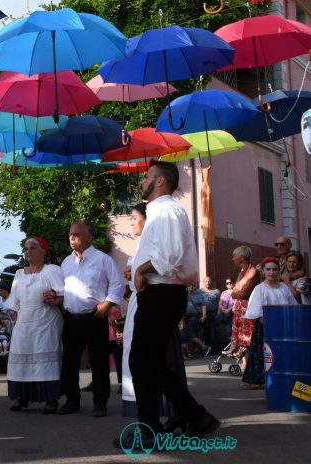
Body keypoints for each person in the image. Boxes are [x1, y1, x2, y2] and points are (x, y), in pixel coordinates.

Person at [122, 160, 219, 448]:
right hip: (160, 295)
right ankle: (194, 416)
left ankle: (150, 431)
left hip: (161, 294)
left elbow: (170, 255)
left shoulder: (165, 210)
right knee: (149, 363)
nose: (142, 181)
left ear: (160, 181)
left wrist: (141, 271)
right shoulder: (159, 212)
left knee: (141, 362)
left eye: (147, 176)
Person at [59, 221, 124, 418]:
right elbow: (63, 289)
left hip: (94, 317)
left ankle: (100, 402)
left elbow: (117, 284)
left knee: (99, 361)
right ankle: (72, 400)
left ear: (89, 237)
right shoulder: (66, 263)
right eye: (70, 234)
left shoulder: (103, 260)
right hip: (71, 317)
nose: (72, 238)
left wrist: (107, 304)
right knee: (69, 360)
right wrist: (56, 298)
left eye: (76, 234)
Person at [6, 237, 64, 414]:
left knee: (44, 361)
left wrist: (53, 299)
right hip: (24, 322)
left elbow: (62, 294)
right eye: (26, 249)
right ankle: (21, 397)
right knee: (21, 359)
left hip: (46, 321)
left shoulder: (52, 270)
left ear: (43, 251)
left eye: (33, 248)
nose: (28, 251)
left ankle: (50, 399)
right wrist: (18, 324)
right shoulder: (19, 274)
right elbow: (14, 303)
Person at [242, 257, 296, 390]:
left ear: (278, 271)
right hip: (266, 327)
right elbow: (253, 311)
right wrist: (267, 320)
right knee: (264, 354)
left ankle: (282, 378)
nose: (272, 272)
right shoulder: (259, 289)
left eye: (275, 269)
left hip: (284, 326)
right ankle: (258, 380)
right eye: (269, 269)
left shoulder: (284, 287)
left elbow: (293, 305)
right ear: (263, 272)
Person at [229, 246, 259, 369]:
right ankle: (246, 364)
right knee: (242, 339)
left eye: (234, 256)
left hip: (248, 307)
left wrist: (236, 291)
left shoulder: (252, 271)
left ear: (241, 257)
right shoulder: (242, 271)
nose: (232, 259)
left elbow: (241, 293)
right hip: (241, 308)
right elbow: (234, 292)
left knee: (249, 338)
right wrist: (236, 291)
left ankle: (251, 366)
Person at [199, 277, 221, 350]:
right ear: (203, 282)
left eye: (209, 281)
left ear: (211, 282)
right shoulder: (200, 291)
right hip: (205, 314)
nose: (207, 283)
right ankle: (208, 349)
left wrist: (218, 312)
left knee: (216, 331)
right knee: (206, 332)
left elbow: (219, 302)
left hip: (214, 313)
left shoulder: (216, 291)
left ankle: (217, 348)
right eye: (206, 281)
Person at [216, 278, 235, 347]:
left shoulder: (236, 291)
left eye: (230, 282)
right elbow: (220, 302)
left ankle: (234, 347)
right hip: (226, 314)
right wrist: (222, 309)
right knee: (228, 331)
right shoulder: (223, 292)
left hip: (233, 314)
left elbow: (236, 302)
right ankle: (232, 347)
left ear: (233, 283)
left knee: (234, 331)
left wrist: (228, 310)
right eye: (227, 283)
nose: (229, 284)